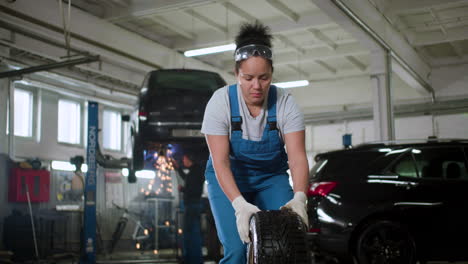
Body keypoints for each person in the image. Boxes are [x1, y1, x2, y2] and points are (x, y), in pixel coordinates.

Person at [201, 21, 309, 263]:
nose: (256, 86)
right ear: (236, 72)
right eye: (248, 77)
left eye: (264, 77)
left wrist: (300, 197)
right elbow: (220, 162)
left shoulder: (285, 103)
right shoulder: (220, 102)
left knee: (288, 241)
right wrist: (240, 205)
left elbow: (297, 157)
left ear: (272, 73)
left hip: (271, 178)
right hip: (228, 178)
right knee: (238, 250)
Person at [173, 151, 205, 264]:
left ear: (189, 159)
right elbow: (187, 179)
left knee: (191, 234)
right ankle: (192, 258)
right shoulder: (194, 171)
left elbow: (194, 189)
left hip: (192, 205)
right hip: (193, 205)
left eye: (184, 159)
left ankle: (193, 259)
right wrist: (178, 169)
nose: (183, 161)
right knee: (191, 233)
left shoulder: (195, 172)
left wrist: (182, 189)